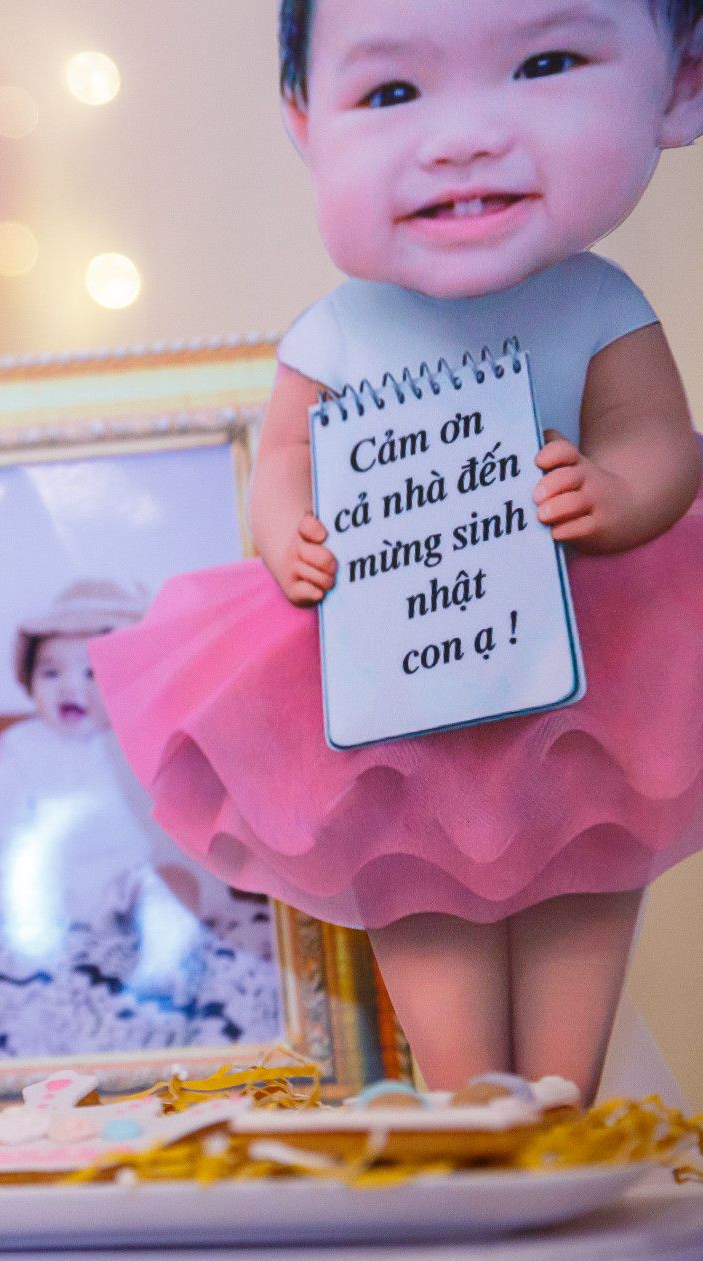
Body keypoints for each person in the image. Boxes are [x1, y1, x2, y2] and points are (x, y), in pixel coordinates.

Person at [91, 0, 703, 1098]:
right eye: (391, 91)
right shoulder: (335, 332)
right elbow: (283, 459)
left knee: (584, 871)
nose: (460, 138)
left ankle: (563, 1105)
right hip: (397, 688)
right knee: (416, 891)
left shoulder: (595, 302)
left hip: (588, 675)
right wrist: (285, 529)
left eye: (544, 63)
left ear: (681, 81)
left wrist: (616, 489)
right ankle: (467, 1105)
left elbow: (660, 437)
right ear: (304, 121)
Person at [0, 581, 223, 992]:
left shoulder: (136, 741)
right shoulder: (19, 744)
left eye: (93, 673)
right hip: (45, 877)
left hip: (123, 872)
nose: (70, 687)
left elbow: (179, 805)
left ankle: (168, 956)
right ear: (29, 681)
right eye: (51, 672)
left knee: (172, 881)